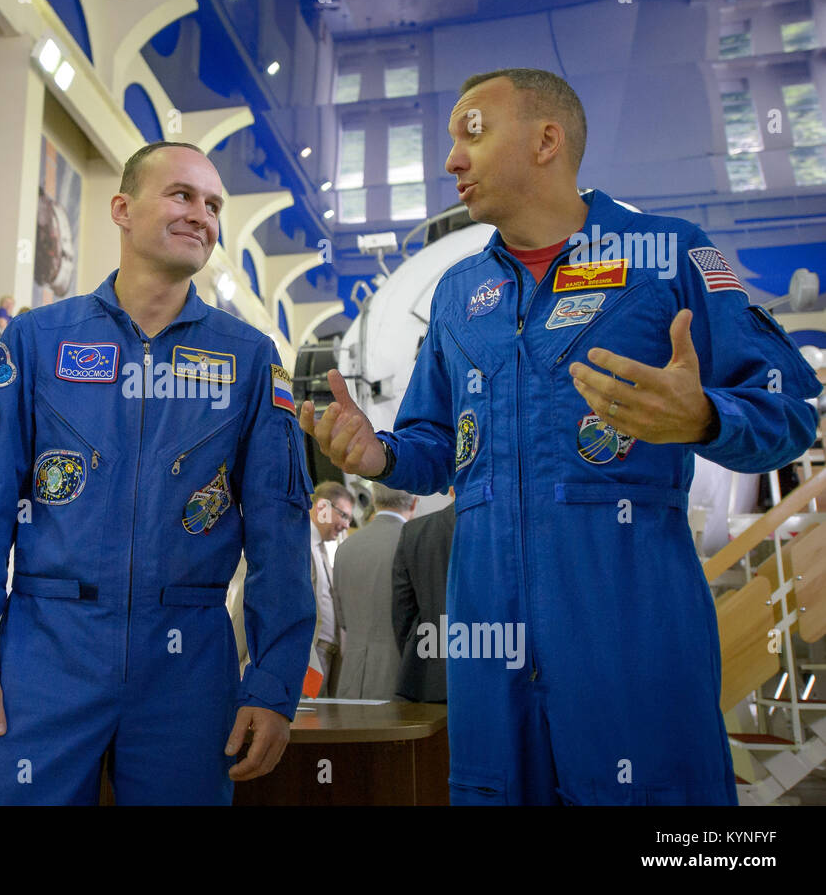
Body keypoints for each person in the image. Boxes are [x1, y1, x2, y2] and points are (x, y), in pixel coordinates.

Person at [301, 67, 823, 806]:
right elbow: (434, 443)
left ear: (548, 140)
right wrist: (379, 453)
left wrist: (706, 416)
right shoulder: (458, 296)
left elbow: (792, 405)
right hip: (488, 657)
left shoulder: (670, 256)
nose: (452, 158)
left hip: (631, 640)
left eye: (471, 133)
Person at [0, 140, 315, 805]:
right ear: (122, 208)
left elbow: (280, 533)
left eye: (215, 204)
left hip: (189, 665)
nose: (203, 213)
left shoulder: (251, 359)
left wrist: (275, 679)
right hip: (45, 653)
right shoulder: (37, 341)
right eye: (182, 195)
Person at [332, 484, 415, 699]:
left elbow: (343, 621)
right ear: (415, 503)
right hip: (400, 680)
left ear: (375, 501)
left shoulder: (345, 549)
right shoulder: (415, 543)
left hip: (352, 680)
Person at [391, 495, 455, 704]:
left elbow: (403, 614)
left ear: (452, 489)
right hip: (504, 674)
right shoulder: (514, 530)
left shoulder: (415, 531)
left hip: (432, 679)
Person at [307, 480, 352, 697]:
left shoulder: (323, 550)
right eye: (343, 515)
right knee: (307, 721)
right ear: (322, 507)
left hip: (329, 653)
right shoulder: (297, 543)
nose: (346, 525)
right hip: (310, 652)